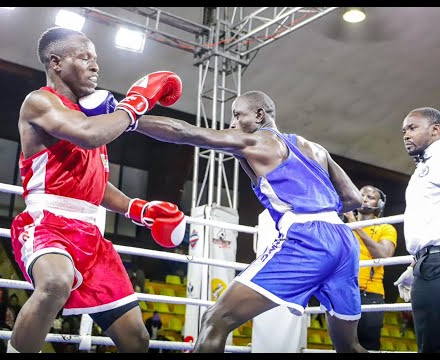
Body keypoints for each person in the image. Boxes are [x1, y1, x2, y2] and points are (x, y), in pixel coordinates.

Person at [135, 90, 367, 352]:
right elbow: (353, 198)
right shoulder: (315, 149)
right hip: (344, 242)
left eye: (237, 115)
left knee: (215, 319)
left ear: (259, 114)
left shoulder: (255, 142)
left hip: (307, 239)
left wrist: (128, 118)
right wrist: (320, 209)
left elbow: (184, 131)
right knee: (349, 345)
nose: (233, 124)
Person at [7, 26, 185, 353]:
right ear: (56, 62)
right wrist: (132, 107)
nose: (94, 65)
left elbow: (94, 183)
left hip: (90, 234)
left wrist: (137, 208)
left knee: (136, 339)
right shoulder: (40, 102)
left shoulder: (93, 117)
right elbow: (88, 134)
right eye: (83, 57)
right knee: (55, 283)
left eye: (96, 59)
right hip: (47, 224)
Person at [394, 107, 440, 353]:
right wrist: (416, 264)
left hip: (437, 261)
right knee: (429, 341)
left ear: (435, 130)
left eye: (412, 128)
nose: (405, 135)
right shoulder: (424, 167)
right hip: (426, 263)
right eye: (403, 131)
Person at [343, 185, 397, 350]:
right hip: (343, 291)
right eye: (361, 195)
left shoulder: (386, 227)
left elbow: (384, 254)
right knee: (342, 345)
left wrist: (355, 225)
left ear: (379, 204)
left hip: (370, 294)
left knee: (369, 345)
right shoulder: (344, 228)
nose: (365, 199)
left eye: (370, 197)